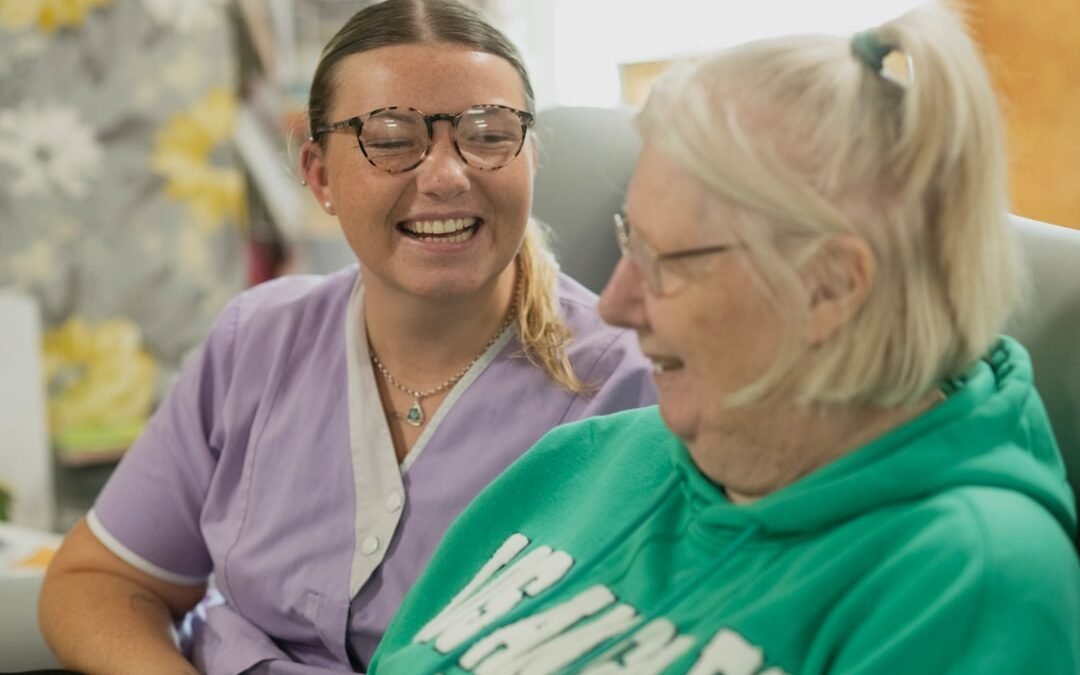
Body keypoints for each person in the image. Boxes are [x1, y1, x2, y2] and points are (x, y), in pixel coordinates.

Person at [366, 3, 1080, 673]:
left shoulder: (964, 580)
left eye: (664, 261)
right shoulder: (583, 460)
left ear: (829, 286)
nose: (616, 303)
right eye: (627, 241)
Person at [37, 1, 656, 673]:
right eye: (390, 139)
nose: (447, 175)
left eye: (488, 133)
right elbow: (99, 580)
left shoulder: (634, 386)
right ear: (320, 174)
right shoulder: (257, 343)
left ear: (531, 158)